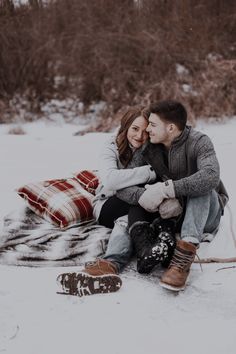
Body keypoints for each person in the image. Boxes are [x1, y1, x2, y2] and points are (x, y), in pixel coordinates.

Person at [57, 105, 163, 296]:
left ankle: (110, 266)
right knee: (138, 202)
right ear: (125, 128)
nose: (139, 136)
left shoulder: (153, 148)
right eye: (134, 129)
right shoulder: (111, 146)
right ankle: (120, 259)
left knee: (127, 220)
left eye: (144, 131)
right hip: (107, 205)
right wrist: (149, 173)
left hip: (135, 207)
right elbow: (110, 180)